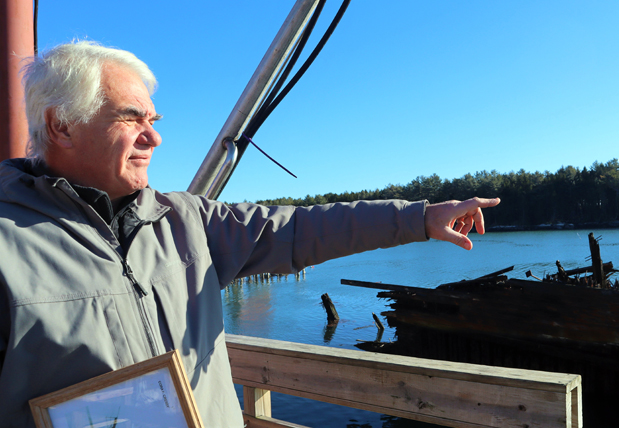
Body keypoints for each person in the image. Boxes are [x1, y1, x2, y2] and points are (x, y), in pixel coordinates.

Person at [0, 41, 500, 427]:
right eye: (132, 118)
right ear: (61, 125)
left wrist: (417, 218)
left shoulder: (184, 221)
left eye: (153, 119)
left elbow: (300, 229)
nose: (154, 137)